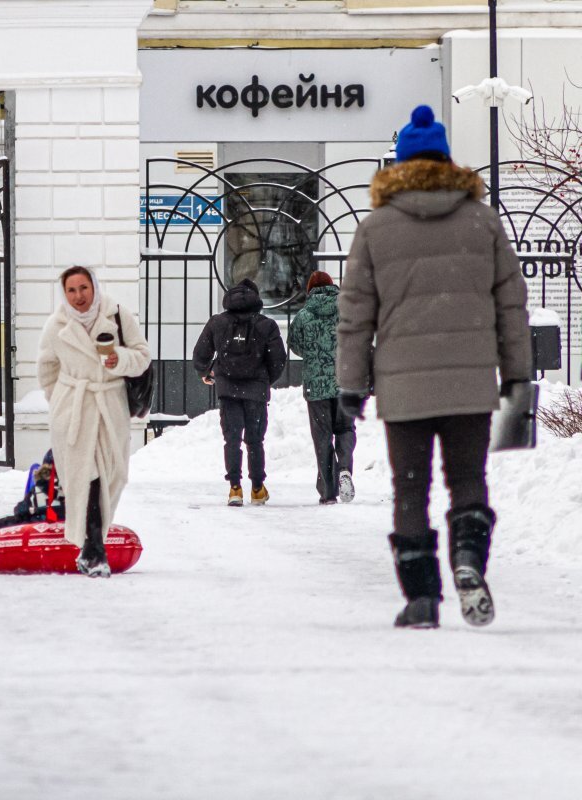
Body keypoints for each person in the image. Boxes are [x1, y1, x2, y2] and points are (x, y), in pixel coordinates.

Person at [337, 105, 532, 629]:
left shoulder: (375, 228)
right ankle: (468, 560)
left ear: (399, 165)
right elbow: (511, 305)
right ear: (446, 160)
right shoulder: (483, 221)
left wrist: (351, 383)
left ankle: (422, 597)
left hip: (403, 388)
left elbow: (355, 315)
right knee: (468, 480)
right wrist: (516, 374)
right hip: (470, 383)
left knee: (410, 488)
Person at [37, 266, 150, 578]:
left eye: (83, 288)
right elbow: (47, 368)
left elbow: (142, 356)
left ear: (94, 287)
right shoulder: (56, 325)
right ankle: (94, 550)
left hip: (109, 404)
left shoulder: (116, 316)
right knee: (85, 477)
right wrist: (59, 401)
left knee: (113, 475)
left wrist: (119, 360)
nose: (78, 296)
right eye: (71, 290)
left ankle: (91, 546)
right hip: (72, 409)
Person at [192, 278, 287, 507]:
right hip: (256, 391)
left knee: (231, 439)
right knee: (255, 441)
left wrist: (207, 371)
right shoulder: (267, 325)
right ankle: (257, 488)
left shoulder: (217, 323)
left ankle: (235, 488)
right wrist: (264, 379)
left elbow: (200, 353)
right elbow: (278, 360)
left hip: (228, 389)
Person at [287, 271, 356, 505]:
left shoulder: (304, 316)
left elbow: (295, 345)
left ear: (309, 290)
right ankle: (345, 469)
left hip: (316, 386)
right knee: (345, 429)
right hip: (345, 381)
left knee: (323, 437)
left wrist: (314, 353)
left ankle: (329, 491)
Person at [0, 450, 66, 552]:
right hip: (61, 523)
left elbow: (22, 508)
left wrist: (23, 510)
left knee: (12, 522)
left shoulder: (39, 489)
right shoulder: (73, 488)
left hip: (37, 524)